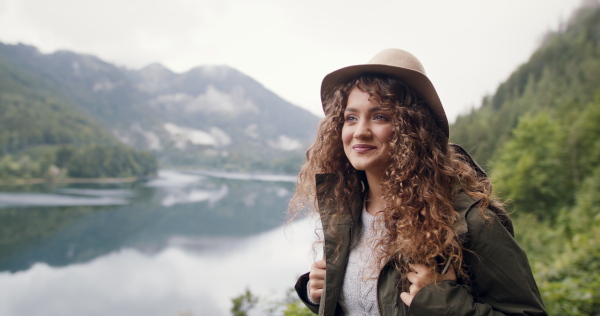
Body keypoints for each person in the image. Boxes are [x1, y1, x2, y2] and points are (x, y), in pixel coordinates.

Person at [288, 48, 547, 315]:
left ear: (414, 129)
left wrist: (446, 304)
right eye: (351, 118)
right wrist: (320, 295)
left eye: (380, 117)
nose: (360, 131)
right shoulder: (345, 212)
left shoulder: (469, 221)